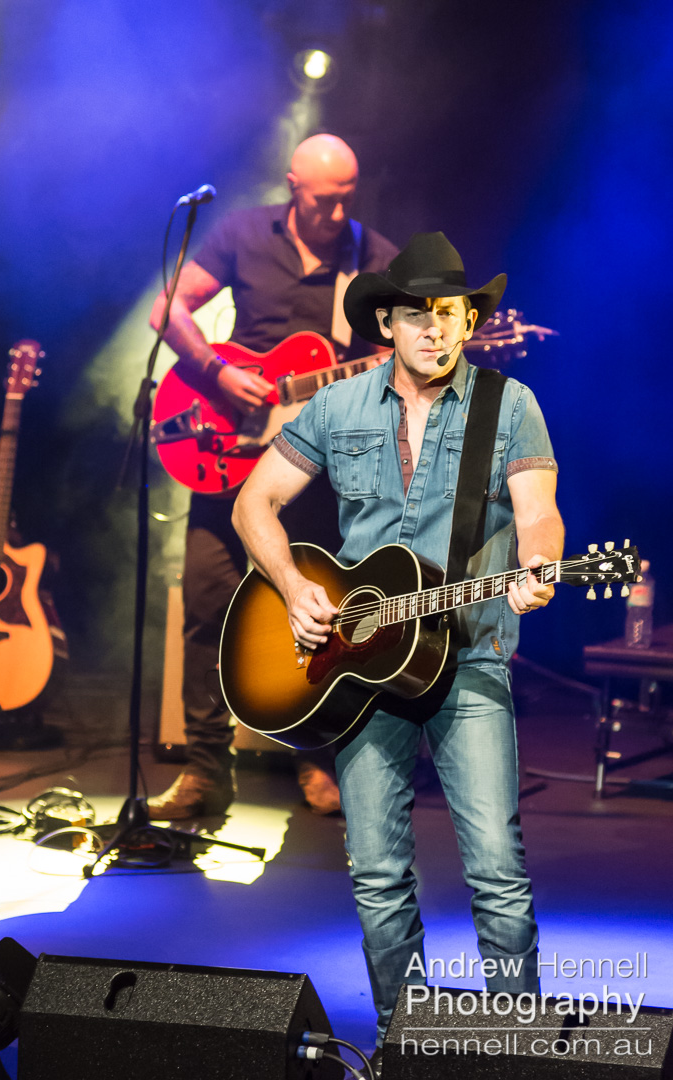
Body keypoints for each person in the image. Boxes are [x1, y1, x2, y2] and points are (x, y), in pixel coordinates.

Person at [230, 232, 564, 1059]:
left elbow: (539, 516)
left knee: (497, 872)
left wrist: (538, 567)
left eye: (450, 314)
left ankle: (513, 1057)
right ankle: (403, 1048)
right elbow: (252, 504)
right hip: (356, 667)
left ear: (468, 321)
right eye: (418, 315)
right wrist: (292, 586)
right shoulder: (338, 406)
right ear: (386, 322)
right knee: (379, 876)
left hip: (471, 654)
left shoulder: (509, 404)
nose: (436, 330)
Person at [147, 134, 398, 819]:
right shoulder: (242, 233)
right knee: (205, 608)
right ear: (292, 186)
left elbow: (393, 365)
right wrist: (216, 372)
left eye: (345, 199)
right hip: (228, 455)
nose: (335, 213)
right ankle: (205, 771)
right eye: (322, 200)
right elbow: (167, 309)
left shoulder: (374, 258)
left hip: (312, 475)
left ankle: (315, 760)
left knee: (319, 617)